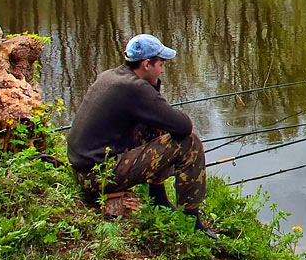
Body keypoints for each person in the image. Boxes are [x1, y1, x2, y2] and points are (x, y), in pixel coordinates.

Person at [66, 33, 218, 238]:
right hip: (97, 176)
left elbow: (162, 121)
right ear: (147, 64)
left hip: (84, 169)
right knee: (189, 143)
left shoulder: (112, 76)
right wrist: (152, 90)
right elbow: (183, 126)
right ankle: (191, 221)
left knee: (154, 125)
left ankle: (158, 198)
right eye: (161, 63)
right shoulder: (135, 89)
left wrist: (152, 91)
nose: (163, 68)